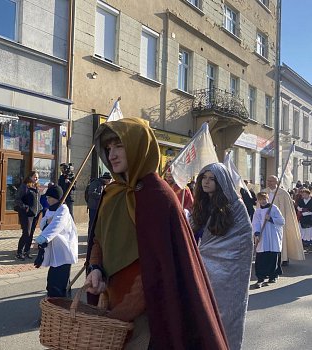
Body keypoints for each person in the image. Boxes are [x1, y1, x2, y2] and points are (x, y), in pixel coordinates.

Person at [85, 118, 228, 349]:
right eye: (108, 148)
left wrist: (124, 311)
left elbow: (159, 266)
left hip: (147, 313)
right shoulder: (112, 192)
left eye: (119, 145)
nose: (111, 154)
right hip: (110, 303)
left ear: (138, 146)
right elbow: (99, 239)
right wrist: (95, 269)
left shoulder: (159, 196)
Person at [192, 162, 253, 350]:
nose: (206, 182)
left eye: (212, 179)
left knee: (223, 317)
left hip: (225, 275)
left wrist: (209, 258)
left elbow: (242, 244)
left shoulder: (236, 208)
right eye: (204, 178)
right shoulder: (201, 205)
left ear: (221, 182)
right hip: (197, 268)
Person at [34, 185, 78, 297]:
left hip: (63, 252)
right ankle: (60, 306)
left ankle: (60, 306)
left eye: (49, 198)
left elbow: (56, 226)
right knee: (53, 282)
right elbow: (43, 224)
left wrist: (41, 239)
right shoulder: (50, 210)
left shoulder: (63, 209)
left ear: (56, 198)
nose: (47, 200)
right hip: (55, 252)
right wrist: (48, 221)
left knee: (59, 284)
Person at [263, 175, 305, 265]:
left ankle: (284, 257)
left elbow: (288, 210)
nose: (269, 183)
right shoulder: (264, 192)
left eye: (271, 181)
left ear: (276, 182)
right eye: (268, 180)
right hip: (267, 221)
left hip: (279, 222)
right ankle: (268, 259)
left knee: (281, 239)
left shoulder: (283, 193)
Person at [252, 192, 285, 288]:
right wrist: (257, 232)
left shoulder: (273, 208)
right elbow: (255, 223)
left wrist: (271, 218)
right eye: (260, 199)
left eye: (264, 199)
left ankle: (273, 275)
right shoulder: (257, 211)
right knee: (261, 255)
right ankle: (261, 277)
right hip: (263, 236)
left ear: (267, 199)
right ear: (258, 200)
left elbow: (282, 221)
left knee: (272, 255)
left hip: (273, 235)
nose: (262, 201)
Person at [14, 171, 42, 260]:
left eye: (37, 177)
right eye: (35, 177)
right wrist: (26, 208)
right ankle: (19, 252)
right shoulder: (24, 186)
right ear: (30, 177)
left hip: (35, 214)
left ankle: (27, 251)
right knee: (26, 233)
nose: (36, 179)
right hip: (26, 214)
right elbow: (18, 199)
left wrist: (41, 209)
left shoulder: (36, 187)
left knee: (31, 234)